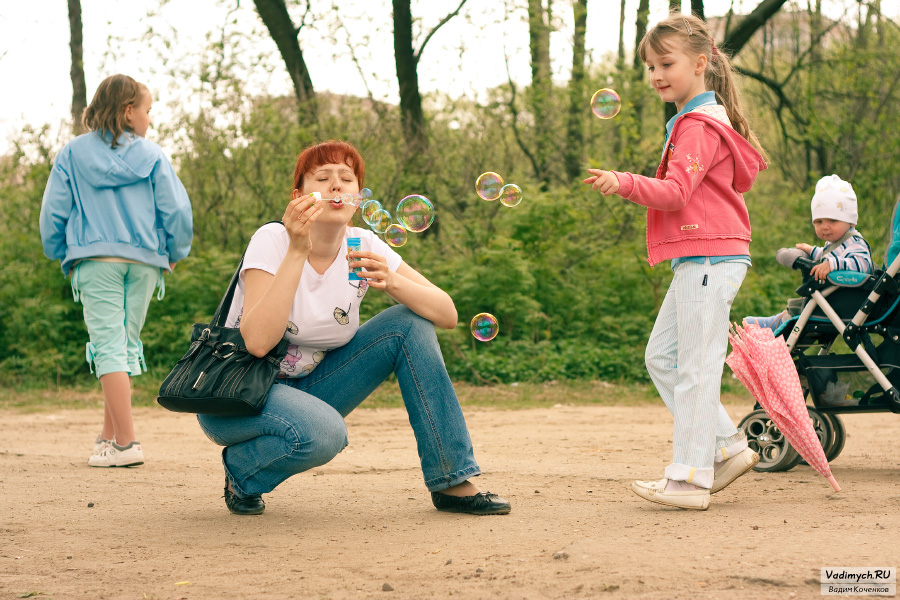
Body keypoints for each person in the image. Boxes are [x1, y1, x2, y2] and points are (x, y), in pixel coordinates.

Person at [196, 139, 510, 516]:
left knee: (409, 324)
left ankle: (451, 480)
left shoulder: (364, 244)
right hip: (237, 396)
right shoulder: (273, 239)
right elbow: (259, 343)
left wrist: (393, 283)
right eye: (322, 177)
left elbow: (447, 314)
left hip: (310, 389)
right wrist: (297, 250)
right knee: (326, 433)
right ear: (298, 196)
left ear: (358, 198)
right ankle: (242, 471)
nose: (335, 186)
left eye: (346, 178)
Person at [584, 14, 767, 510]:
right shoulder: (693, 121)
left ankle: (688, 479)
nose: (656, 75)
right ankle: (727, 448)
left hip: (709, 255)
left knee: (696, 367)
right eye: (650, 66)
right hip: (701, 258)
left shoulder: (699, 126)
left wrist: (623, 182)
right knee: (662, 357)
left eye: (667, 63)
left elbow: (676, 193)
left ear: (701, 63)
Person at [39, 74, 193, 467]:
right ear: (128, 111)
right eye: (147, 111)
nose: (149, 120)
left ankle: (126, 444)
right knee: (121, 348)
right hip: (144, 263)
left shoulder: (72, 154)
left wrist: (62, 253)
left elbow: (53, 213)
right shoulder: (153, 155)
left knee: (109, 348)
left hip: (96, 261)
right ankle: (108, 438)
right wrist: (174, 250)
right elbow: (175, 210)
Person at [745, 174, 873, 330]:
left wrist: (831, 265)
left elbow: (863, 265)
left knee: (802, 306)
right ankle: (778, 322)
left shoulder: (855, 243)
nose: (825, 226)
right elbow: (828, 257)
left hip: (846, 304)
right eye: (819, 222)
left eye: (832, 220)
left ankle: (775, 325)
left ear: (850, 220)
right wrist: (813, 251)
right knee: (800, 304)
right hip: (833, 302)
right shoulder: (837, 244)